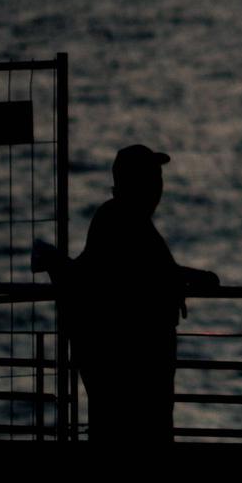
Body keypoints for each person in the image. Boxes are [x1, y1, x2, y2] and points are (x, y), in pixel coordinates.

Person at [73, 144, 219, 446]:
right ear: (134, 183)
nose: (158, 187)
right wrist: (197, 278)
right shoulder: (121, 220)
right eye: (152, 178)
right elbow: (148, 271)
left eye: (158, 178)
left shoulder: (120, 218)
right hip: (133, 363)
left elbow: (152, 270)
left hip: (129, 361)